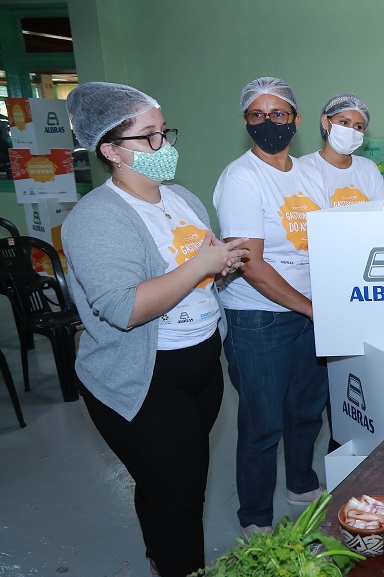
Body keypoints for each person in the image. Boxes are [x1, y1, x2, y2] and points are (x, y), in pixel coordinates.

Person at [62, 82, 248, 577]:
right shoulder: (96, 218)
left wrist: (219, 266)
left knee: (168, 483)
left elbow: (192, 274)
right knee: (181, 498)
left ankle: (159, 556)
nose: (164, 146)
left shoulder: (181, 197)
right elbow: (124, 308)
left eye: (165, 132)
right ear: (110, 150)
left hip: (200, 369)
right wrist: (199, 265)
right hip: (143, 380)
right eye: (148, 137)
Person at [213, 77, 329, 537]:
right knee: (262, 422)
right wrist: (311, 309)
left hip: (308, 311)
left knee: (305, 408)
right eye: (256, 115)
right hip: (260, 317)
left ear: (296, 121)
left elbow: (330, 239)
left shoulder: (310, 172)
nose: (268, 123)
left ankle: (301, 484)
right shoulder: (242, 177)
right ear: (247, 122)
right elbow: (251, 265)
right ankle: (256, 515)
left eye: (278, 114)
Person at [297, 92, 384, 207]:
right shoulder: (304, 167)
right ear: (326, 122)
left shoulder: (368, 169)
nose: (351, 131)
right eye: (344, 123)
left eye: (358, 127)